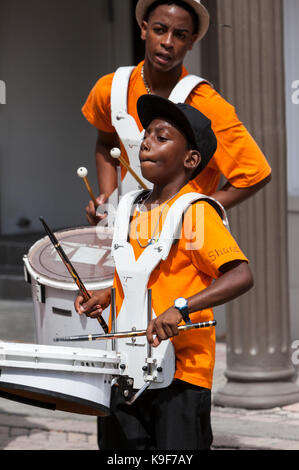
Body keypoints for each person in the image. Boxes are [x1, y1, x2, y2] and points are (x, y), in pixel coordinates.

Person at [75, 94, 254, 450]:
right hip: (125, 366)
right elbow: (142, 277)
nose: (145, 142)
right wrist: (107, 296)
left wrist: (181, 308)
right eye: (146, 134)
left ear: (190, 159)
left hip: (181, 376)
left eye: (161, 136)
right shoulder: (130, 208)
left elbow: (240, 275)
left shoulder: (195, 212)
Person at [82, 0, 271, 226]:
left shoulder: (205, 104)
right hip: (128, 232)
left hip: (183, 240)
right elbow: (105, 144)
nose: (168, 42)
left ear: (191, 42)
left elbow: (255, 174)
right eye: (160, 30)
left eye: (180, 35)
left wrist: (189, 212)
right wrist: (109, 206)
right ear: (144, 29)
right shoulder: (112, 89)